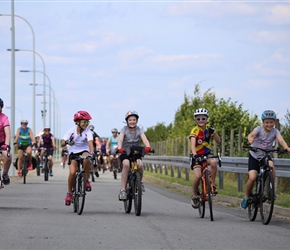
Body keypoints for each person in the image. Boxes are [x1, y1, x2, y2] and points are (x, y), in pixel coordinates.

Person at [240, 110, 290, 209]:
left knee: (271, 166)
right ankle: (246, 197)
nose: (269, 124)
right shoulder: (258, 129)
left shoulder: (275, 131)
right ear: (263, 122)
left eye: (271, 122)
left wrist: (286, 147)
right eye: (267, 122)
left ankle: (271, 190)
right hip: (254, 155)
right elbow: (251, 135)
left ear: (274, 122)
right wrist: (250, 139)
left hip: (265, 155)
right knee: (253, 177)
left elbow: (280, 140)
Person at [189, 108, 221, 208]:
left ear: (207, 119)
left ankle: (212, 184)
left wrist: (214, 133)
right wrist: (195, 155)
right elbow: (193, 144)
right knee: (198, 176)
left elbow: (218, 141)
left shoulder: (209, 130)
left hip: (207, 154)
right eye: (198, 119)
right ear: (195, 120)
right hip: (197, 155)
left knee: (214, 162)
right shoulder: (195, 130)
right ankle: (194, 194)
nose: (201, 120)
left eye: (203, 118)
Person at [62, 110, 95, 206]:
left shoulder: (88, 131)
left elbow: (90, 142)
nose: (85, 124)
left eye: (87, 122)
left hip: (84, 150)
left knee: (86, 158)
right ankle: (69, 193)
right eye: (83, 122)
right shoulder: (71, 131)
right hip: (73, 152)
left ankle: (86, 179)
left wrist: (92, 153)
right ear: (77, 122)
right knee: (72, 172)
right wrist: (67, 142)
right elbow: (62, 143)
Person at [117, 110, 151, 201]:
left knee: (140, 164)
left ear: (137, 121)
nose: (132, 122)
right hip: (125, 152)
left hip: (136, 152)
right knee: (126, 164)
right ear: (127, 121)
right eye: (130, 120)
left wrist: (148, 147)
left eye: (134, 120)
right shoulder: (124, 129)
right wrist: (119, 148)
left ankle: (140, 182)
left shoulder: (139, 130)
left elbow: (145, 139)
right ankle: (123, 190)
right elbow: (120, 140)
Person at [0, 98, 11, 185]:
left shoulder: (4, 118)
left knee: (8, 155)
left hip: (2, 143)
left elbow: (7, 133)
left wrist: (6, 145)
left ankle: (5, 173)